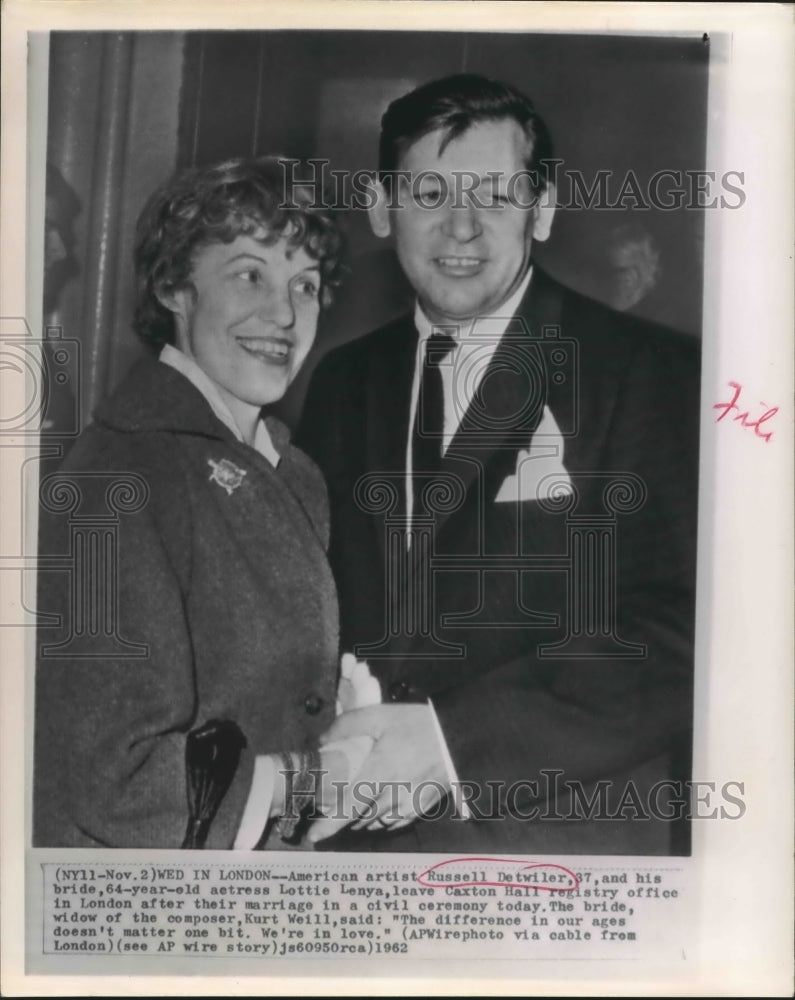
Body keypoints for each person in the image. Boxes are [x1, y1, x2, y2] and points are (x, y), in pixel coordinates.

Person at [299, 74, 700, 854]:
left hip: (558, 857)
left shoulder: (653, 373)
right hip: (358, 847)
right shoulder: (343, 381)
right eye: (428, 194)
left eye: (493, 194)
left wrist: (448, 744)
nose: (461, 227)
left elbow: (685, 627)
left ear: (541, 210)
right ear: (382, 210)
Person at [33, 157, 351, 849]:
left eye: (306, 284)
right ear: (176, 287)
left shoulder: (290, 471)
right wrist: (316, 778)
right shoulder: (118, 477)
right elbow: (115, 778)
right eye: (249, 275)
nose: (284, 314)